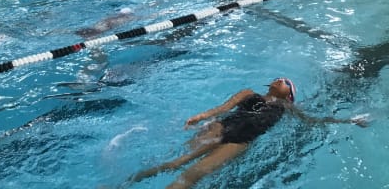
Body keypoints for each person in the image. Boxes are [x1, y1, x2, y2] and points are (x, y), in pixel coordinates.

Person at [130, 77, 367, 189]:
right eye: (280, 78)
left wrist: (349, 120)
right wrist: (201, 117)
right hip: (220, 127)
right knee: (175, 163)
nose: (280, 79)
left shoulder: (287, 108)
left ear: (289, 95)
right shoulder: (248, 92)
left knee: (192, 176)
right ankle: (124, 185)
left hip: (240, 142)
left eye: (286, 81)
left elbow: (315, 121)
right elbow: (222, 109)